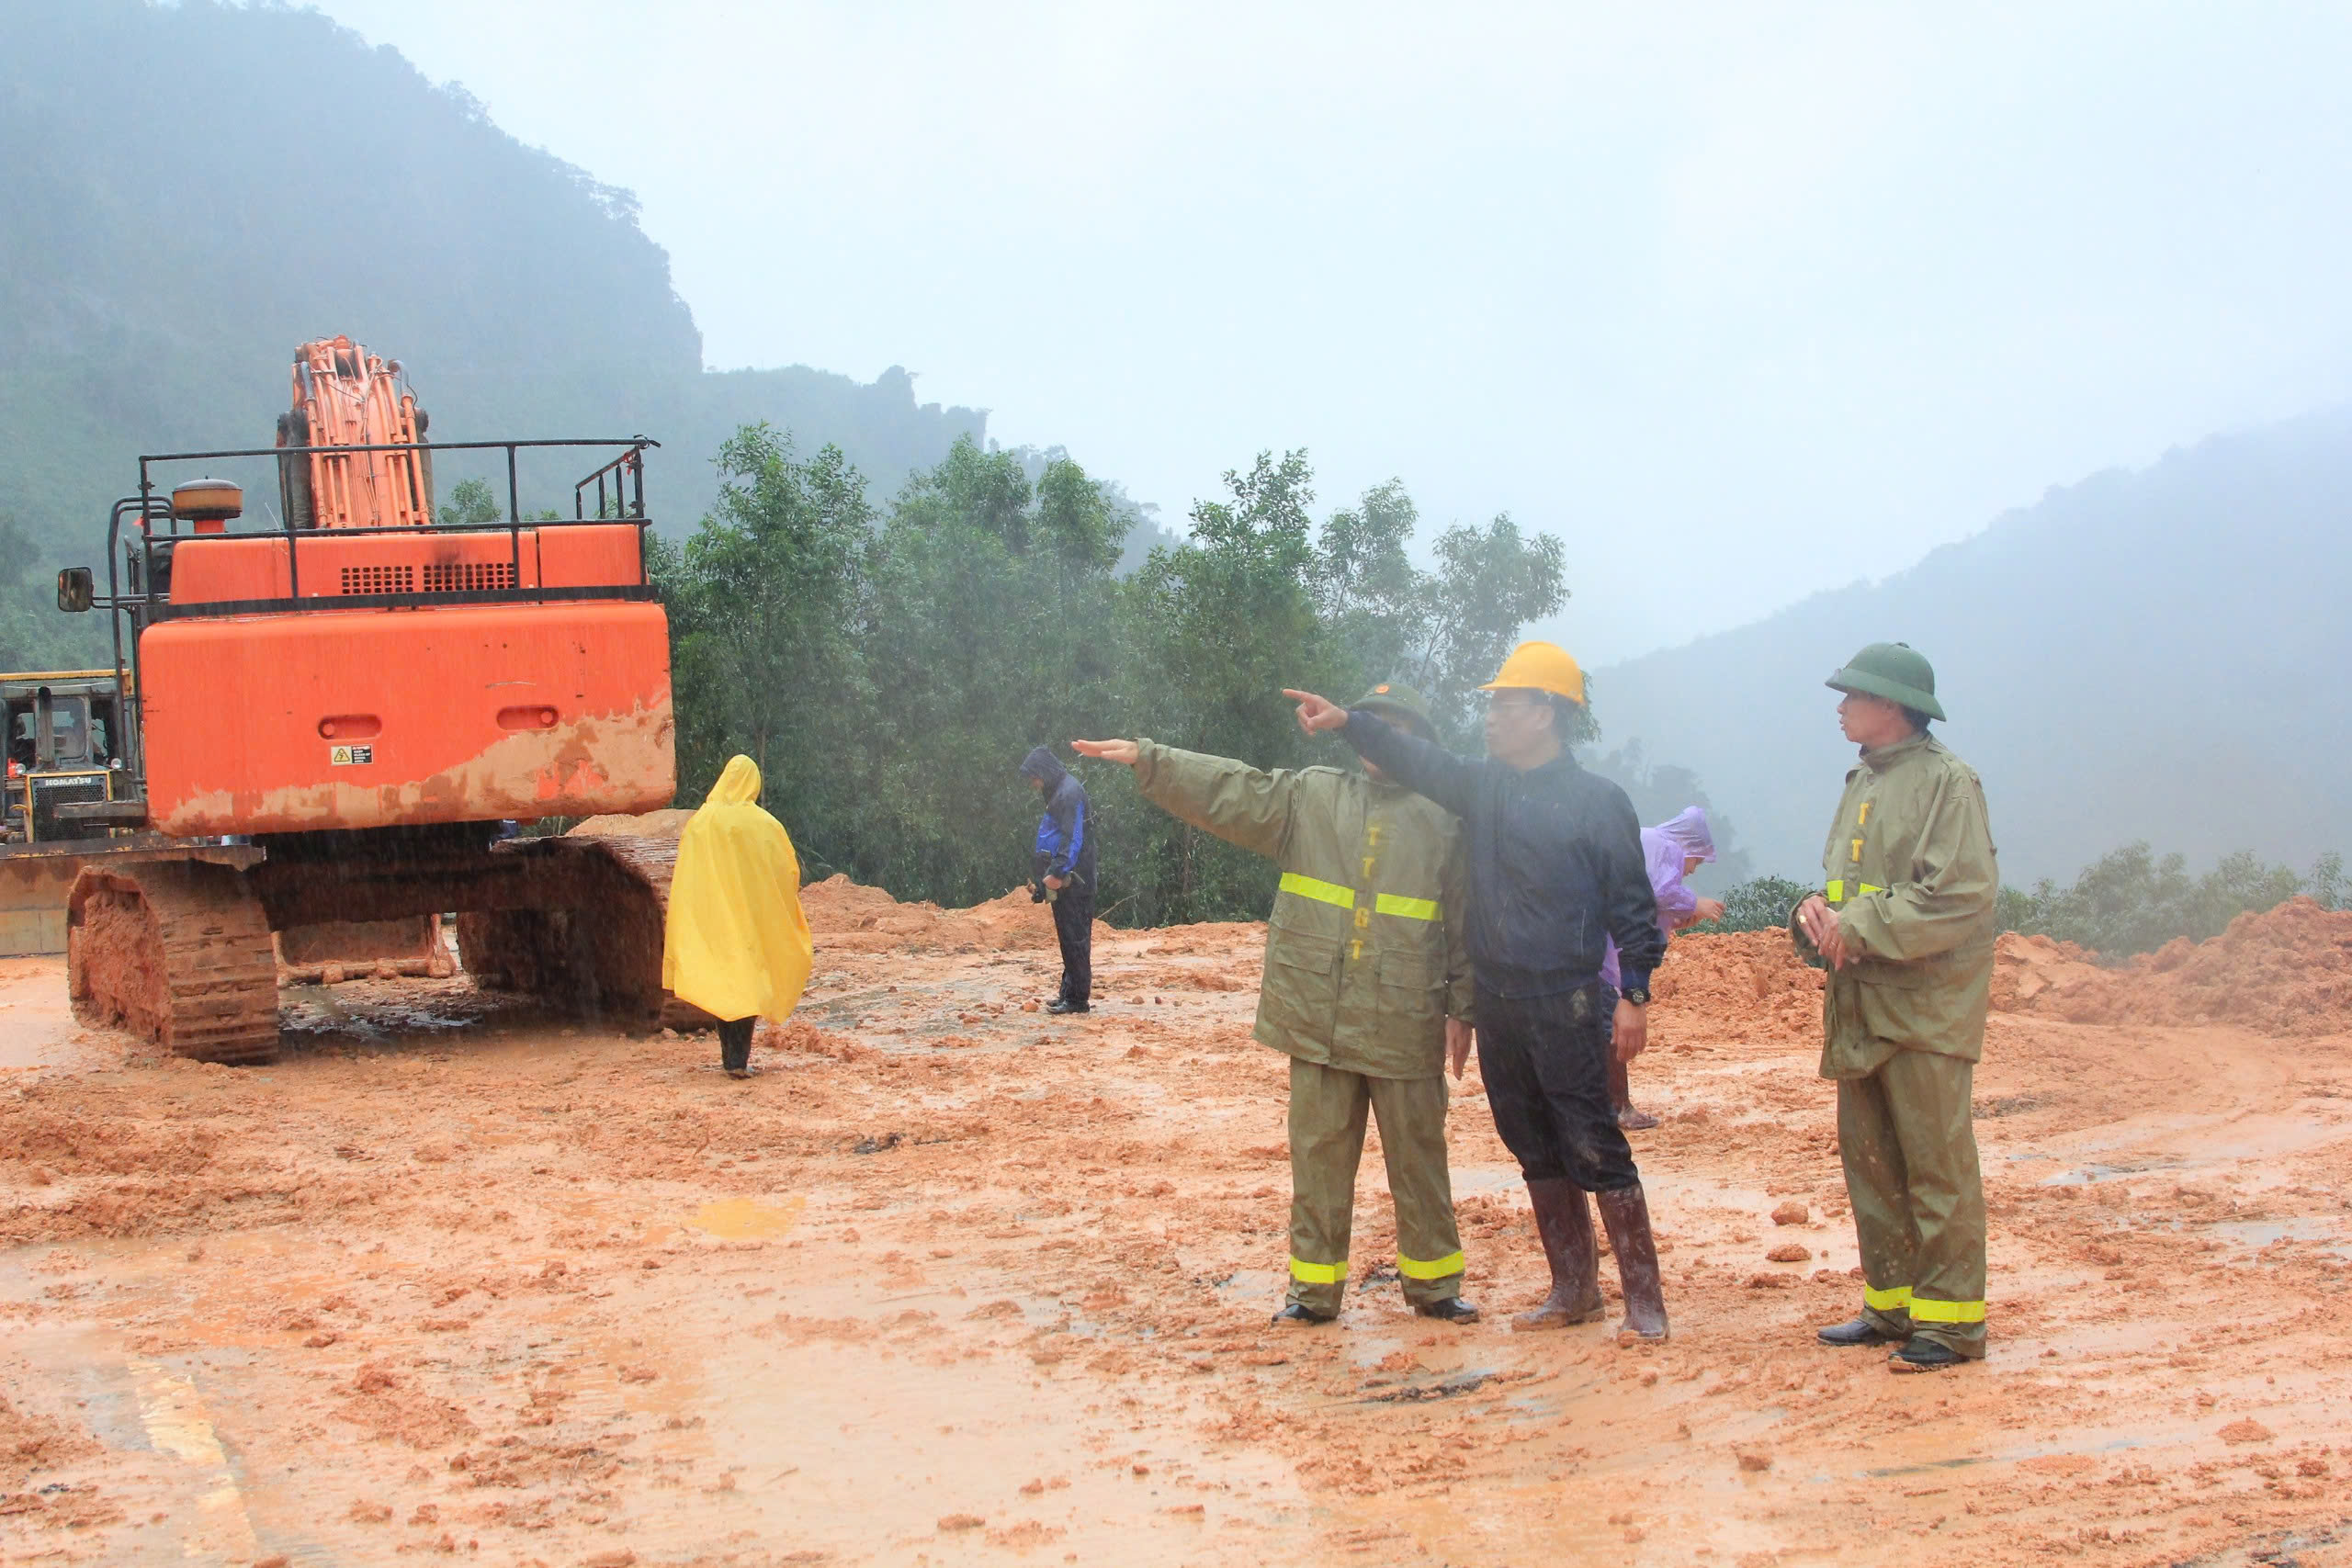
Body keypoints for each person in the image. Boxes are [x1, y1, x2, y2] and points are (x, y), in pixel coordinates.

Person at [1283, 641, 1672, 1343]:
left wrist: (1634, 993)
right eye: (1491, 705)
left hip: (1569, 1000)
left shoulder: (1598, 802)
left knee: (1593, 1143)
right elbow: (1419, 761)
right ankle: (1573, 1289)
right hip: (1500, 1003)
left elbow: (1632, 905)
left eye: (1505, 705)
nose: (1491, 718)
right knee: (1531, 1145)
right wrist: (1348, 722)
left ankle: (1645, 1302)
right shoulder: (1482, 786)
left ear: (1547, 713)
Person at [1072, 682, 1479, 1326]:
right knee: (1317, 1161)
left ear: (1418, 741)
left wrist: (1465, 1007)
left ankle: (1435, 1286)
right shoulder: (1310, 796)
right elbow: (1232, 790)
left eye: (1394, 727)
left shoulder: (1445, 820)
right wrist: (1153, 759)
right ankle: (1313, 1293)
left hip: (1406, 1017)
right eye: (1371, 723)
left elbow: (1463, 920)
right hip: (1316, 1014)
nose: (1381, 738)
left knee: (1420, 1157)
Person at [1791, 642, 1996, 1373]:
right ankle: (1893, 1304)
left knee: (1936, 1166)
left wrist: (1860, 927)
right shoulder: (1863, 781)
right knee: (1873, 1161)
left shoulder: (1949, 783)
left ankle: (1950, 1326)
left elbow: (1961, 895)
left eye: (1853, 694)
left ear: (1892, 705)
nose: (1841, 705)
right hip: (1860, 1003)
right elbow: (1848, 892)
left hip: (1925, 1010)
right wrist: (1812, 918)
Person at [662, 754, 815, 1079]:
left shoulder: (701, 822)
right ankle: (738, 1062)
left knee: (726, 987)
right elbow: (786, 870)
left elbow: (687, 872)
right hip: (751, 920)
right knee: (747, 987)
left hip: (714, 919)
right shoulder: (764, 824)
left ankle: (731, 1060)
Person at [1601, 807, 1724, 1129]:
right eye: (1696, 860)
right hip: (1607, 953)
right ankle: (1618, 1107)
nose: (1694, 869)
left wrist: (1681, 917)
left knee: (1599, 1026)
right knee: (1610, 1026)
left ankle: (1607, 1105)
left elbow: (1645, 908)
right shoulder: (1666, 847)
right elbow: (1658, 892)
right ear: (1689, 846)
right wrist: (1695, 903)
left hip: (1599, 943)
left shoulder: (1647, 841)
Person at [1019, 745, 1095, 1015]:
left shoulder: (1069, 793)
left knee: (1075, 937)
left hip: (1075, 879)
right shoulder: (1060, 790)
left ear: (1043, 772)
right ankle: (1068, 993)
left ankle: (1077, 1000)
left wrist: (1058, 872)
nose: (1032, 783)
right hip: (1066, 878)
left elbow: (1072, 839)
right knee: (1068, 936)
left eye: (1033, 777)